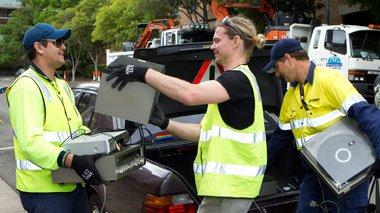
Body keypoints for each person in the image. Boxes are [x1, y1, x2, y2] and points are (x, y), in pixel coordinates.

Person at [105, 15, 266, 213]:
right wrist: (164, 123)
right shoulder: (235, 81)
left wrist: (143, 73)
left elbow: (190, 94)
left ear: (235, 41)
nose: (212, 47)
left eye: (217, 40)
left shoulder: (237, 80)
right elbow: (201, 132)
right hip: (225, 188)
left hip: (234, 187)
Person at [263, 38, 380, 212]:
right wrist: (259, 167)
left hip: (346, 173)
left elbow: (369, 116)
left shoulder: (329, 80)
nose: (277, 74)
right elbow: (280, 138)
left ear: (288, 58)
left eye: (277, 67)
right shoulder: (290, 96)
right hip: (315, 176)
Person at [6, 23, 102, 213]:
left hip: (72, 183)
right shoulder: (26, 87)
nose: (63, 47)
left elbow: (77, 129)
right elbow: (30, 143)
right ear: (39, 47)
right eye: (58, 42)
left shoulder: (62, 85)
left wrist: (101, 142)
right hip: (44, 192)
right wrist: (71, 160)